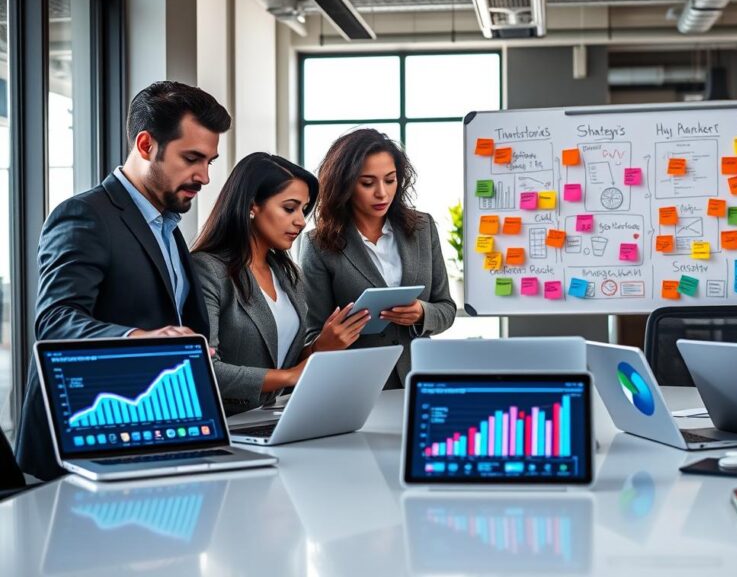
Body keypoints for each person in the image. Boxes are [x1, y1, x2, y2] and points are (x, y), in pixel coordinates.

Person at [17, 81, 231, 480]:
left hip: (148, 439)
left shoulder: (168, 226)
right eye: (192, 158)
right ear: (147, 145)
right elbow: (55, 320)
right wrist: (138, 339)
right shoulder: (84, 215)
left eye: (209, 162)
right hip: (79, 449)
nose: (203, 176)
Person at [191, 153, 370, 416]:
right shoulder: (207, 269)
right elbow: (204, 367)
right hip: (224, 421)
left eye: (303, 209)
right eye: (289, 208)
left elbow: (283, 356)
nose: (300, 221)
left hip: (274, 415)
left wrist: (321, 346)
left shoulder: (288, 275)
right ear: (252, 205)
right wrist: (291, 376)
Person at [301, 129, 456, 389]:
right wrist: (337, 335)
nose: (382, 193)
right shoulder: (319, 244)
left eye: (390, 180)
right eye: (367, 183)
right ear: (345, 184)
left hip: (418, 378)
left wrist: (422, 313)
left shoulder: (422, 228)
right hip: (356, 383)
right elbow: (313, 334)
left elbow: (447, 309)